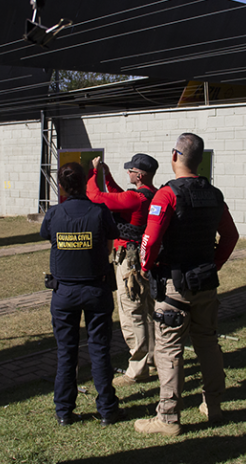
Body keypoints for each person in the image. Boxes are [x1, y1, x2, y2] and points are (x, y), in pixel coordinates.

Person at [134, 133, 239, 436]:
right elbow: (230, 237)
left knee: (169, 351)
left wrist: (145, 266)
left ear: (174, 156)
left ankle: (168, 418)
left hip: (174, 286)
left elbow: (150, 241)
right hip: (206, 282)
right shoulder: (214, 194)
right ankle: (214, 406)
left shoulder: (166, 195)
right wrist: (214, 263)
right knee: (208, 342)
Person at [40, 162, 126, 427]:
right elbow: (113, 232)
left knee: (66, 352)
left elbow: (46, 234)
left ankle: (64, 410)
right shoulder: (99, 212)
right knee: (99, 350)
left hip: (64, 293)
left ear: (62, 186)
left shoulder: (54, 214)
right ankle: (107, 410)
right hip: (95, 290)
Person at [86, 153, 158, 387]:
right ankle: (154, 359)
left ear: (140, 175)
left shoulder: (135, 198)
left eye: (131, 170)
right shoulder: (150, 194)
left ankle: (137, 369)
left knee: (131, 313)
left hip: (129, 259)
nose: (128, 173)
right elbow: (118, 195)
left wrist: (93, 172)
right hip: (144, 257)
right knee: (148, 310)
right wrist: (107, 175)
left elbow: (96, 197)